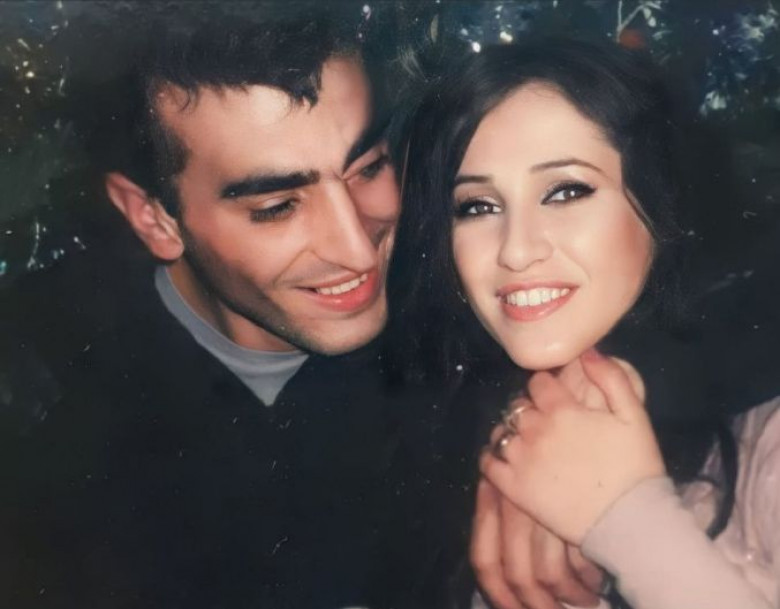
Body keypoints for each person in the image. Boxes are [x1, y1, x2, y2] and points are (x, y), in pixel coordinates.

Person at [0, 9, 438, 609]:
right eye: (277, 206)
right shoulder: (41, 415)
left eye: (368, 168)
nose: (358, 249)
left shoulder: (462, 302)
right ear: (154, 219)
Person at [389, 38, 779, 609]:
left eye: (566, 191)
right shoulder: (441, 426)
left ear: (662, 206)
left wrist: (629, 517)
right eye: (477, 206)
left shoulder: (765, 438)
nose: (516, 250)